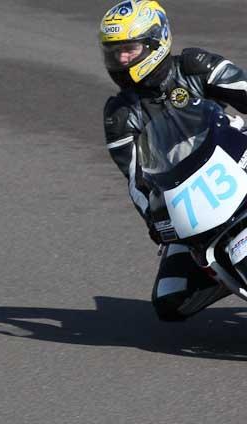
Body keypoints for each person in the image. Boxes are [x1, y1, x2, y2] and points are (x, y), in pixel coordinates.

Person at [100, 0, 247, 320]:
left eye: (129, 49)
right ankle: (222, 271)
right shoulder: (120, 115)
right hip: (191, 199)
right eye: (114, 52)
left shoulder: (194, 67)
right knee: (172, 299)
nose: (121, 59)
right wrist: (155, 221)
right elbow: (135, 180)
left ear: (156, 42)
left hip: (237, 159)